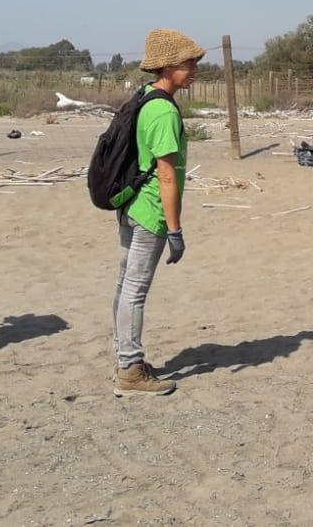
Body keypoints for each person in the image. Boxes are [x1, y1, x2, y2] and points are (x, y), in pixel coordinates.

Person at [109, 28, 203, 396]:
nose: (194, 70)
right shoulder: (163, 109)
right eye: (188, 63)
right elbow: (166, 173)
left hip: (130, 205)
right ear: (166, 66)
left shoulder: (144, 96)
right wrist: (175, 229)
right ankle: (130, 369)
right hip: (151, 211)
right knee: (135, 288)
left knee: (124, 283)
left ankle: (123, 357)